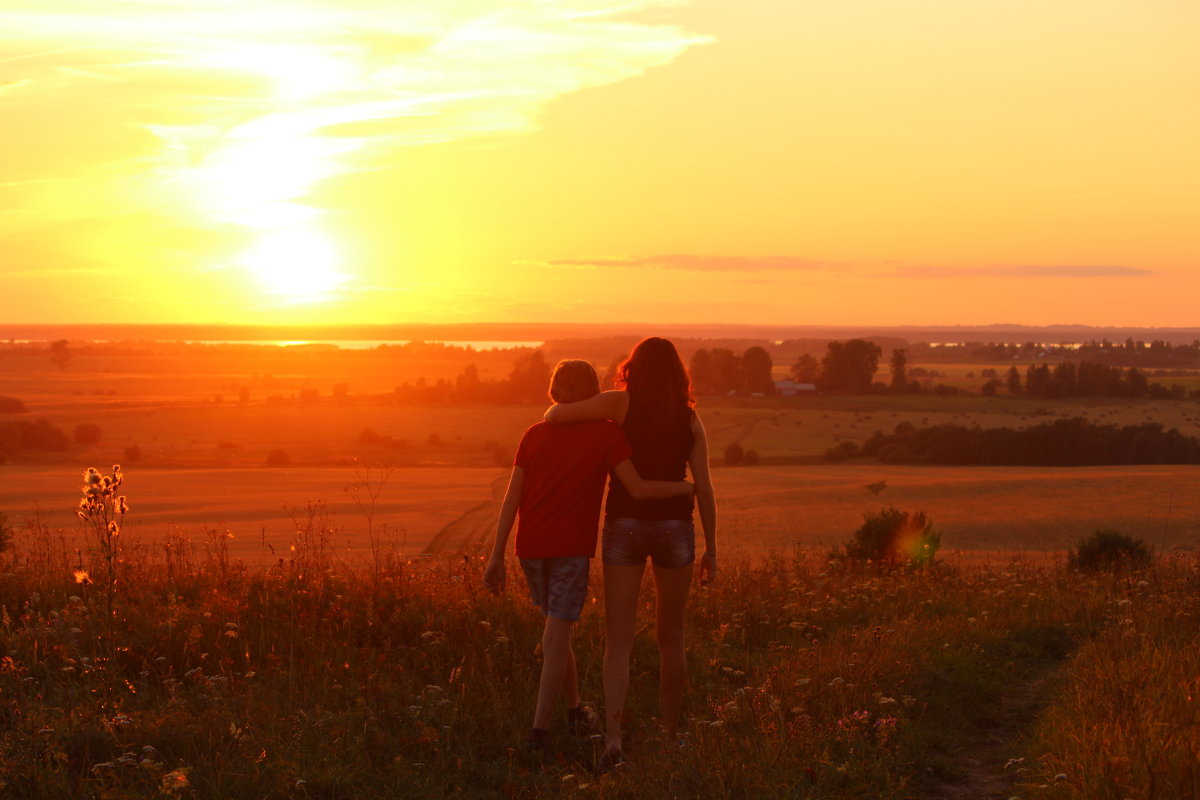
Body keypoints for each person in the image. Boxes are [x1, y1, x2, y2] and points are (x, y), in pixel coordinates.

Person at [483, 359, 694, 753]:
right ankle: (539, 733)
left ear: (554, 389)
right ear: (594, 392)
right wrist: (686, 490)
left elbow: (512, 498)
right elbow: (636, 486)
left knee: (555, 632)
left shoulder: (534, 433)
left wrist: (496, 554)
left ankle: (575, 708)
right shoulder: (607, 434)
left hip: (529, 548)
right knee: (556, 636)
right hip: (570, 550)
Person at [544, 337, 717, 767]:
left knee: (617, 642)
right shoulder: (691, 420)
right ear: (678, 373)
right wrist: (712, 548)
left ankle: (614, 740)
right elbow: (706, 489)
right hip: (676, 526)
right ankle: (672, 735)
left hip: (624, 525)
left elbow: (553, 413)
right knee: (671, 639)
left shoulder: (620, 405)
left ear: (632, 368)